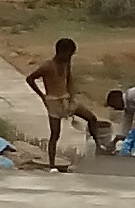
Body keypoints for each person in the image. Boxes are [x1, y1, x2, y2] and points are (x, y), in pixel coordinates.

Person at [25, 38, 110, 171]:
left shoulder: (66, 63)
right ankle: (52, 165)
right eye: (69, 54)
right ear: (61, 52)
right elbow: (30, 78)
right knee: (55, 134)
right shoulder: (47, 66)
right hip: (53, 102)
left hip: (67, 99)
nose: (70, 57)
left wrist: (72, 96)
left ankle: (99, 146)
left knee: (91, 118)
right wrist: (42, 96)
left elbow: (69, 79)